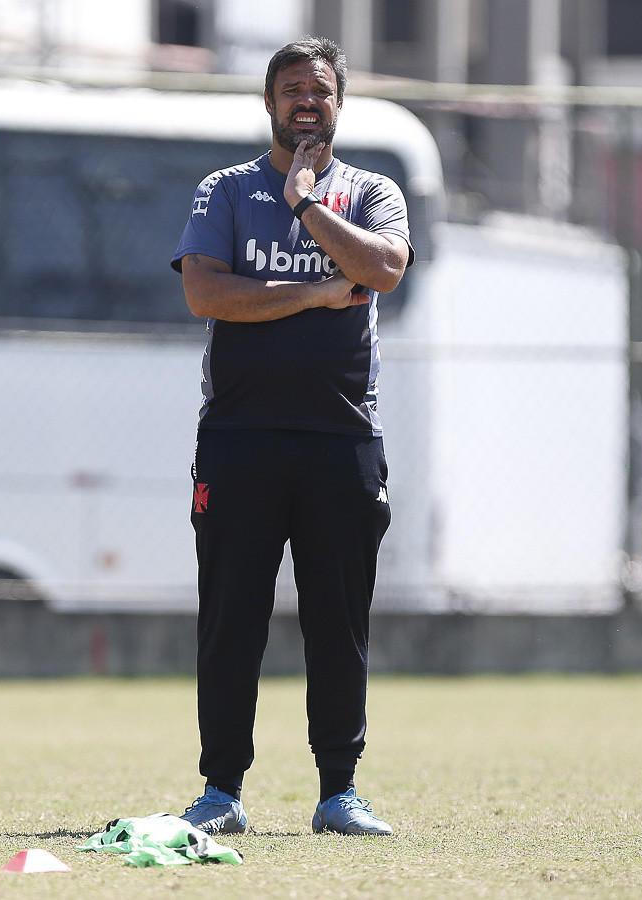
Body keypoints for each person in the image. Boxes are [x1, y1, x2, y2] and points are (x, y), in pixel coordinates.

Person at [170, 36, 413, 837]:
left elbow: (381, 270)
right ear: (268, 102)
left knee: (337, 621)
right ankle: (220, 792)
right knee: (230, 615)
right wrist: (312, 295)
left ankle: (338, 792)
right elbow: (206, 293)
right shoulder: (226, 191)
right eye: (291, 90)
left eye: (320, 89)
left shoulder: (372, 190)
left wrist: (307, 202)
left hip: (340, 440)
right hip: (239, 437)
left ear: (339, 102)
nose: (306, 101)